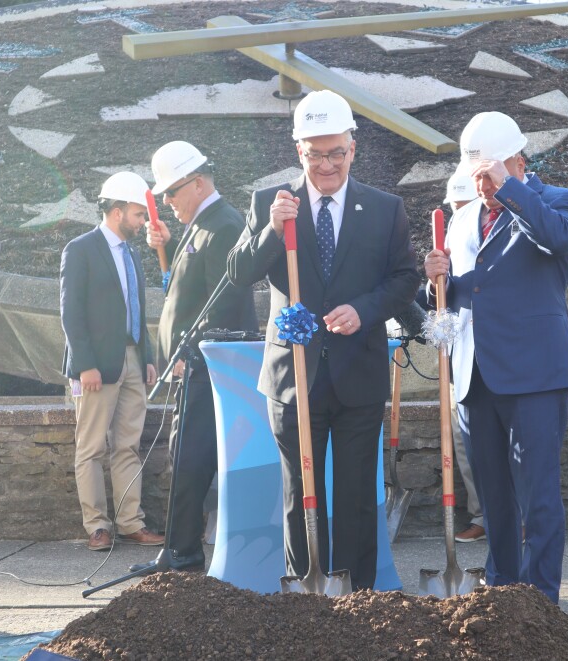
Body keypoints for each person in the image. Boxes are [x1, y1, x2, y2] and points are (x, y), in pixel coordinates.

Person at [227, 90, 419, 590]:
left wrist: (364, 309)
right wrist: (272, 229)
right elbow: (239, 272)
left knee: (356, 491)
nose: (327, 164)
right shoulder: (271, 203)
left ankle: (357, 597)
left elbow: (404, 280)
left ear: (353, 148)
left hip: (358, 372)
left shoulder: (383, 209)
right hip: (294, 376)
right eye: (316, 154)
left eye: (336, 152)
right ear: (299, 152)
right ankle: (307, 592)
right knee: (300, 491)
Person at [424, 112, 568, 603]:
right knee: (494, 501)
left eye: (489, 172)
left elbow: (556, 239)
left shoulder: (559, 201)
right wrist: (434, 281)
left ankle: (541, 602)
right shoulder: (465, 216)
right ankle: (502, 597)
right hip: (475, 377)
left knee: (537, 497)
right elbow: (464, 293)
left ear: (519, 159)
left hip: (535, 375)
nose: (482, 184)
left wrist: (510, 190)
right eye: (475, 174)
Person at [131, 141, 258, 573]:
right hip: (196, 365)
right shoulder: (205, 222)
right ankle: (179, 547)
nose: (166, 201)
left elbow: (223, 303)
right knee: (184, 454)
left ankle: (182, 551)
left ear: (199, 183)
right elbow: (190, 288)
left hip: (206, 366)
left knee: (190, 457)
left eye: (172, 191)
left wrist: (194, 352)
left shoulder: (223, 225)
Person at [60, 172, 164, 552]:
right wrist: (85, 364)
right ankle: (98, 527)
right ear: (117, 211)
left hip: (134, 362)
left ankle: (130, 523)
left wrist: (148, 357)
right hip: (96, 367)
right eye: (138, 214)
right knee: (90, 448)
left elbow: (138, 307)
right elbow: (71, 313)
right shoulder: (81, 248)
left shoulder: (132, 252)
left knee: (128, 446)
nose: (143, 222)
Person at [444, 167, 486, 544]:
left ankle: (513, 517)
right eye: (453, 207)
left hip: (494, 356)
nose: (459, 214)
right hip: (460, 356)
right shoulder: (451, 232)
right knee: (464, 442)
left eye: (463, 206)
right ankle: (481, 515)